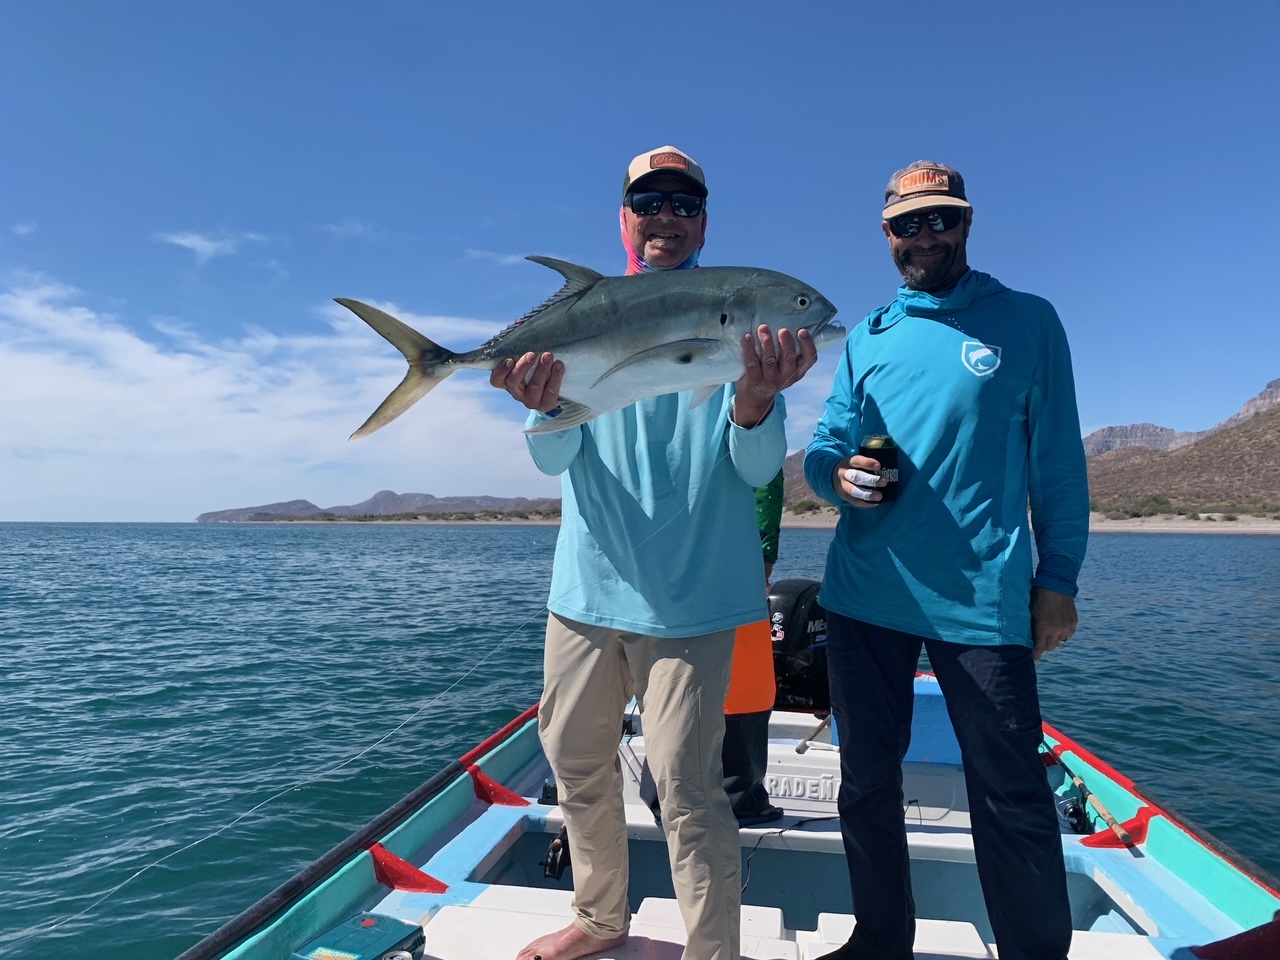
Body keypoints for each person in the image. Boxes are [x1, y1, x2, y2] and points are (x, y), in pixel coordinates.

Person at [492, 145, 819, 960]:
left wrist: (755, 400)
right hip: (588, 587)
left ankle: (714, 952)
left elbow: (751, 469)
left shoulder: (739, 316)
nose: (664, 216)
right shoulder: (589, 319)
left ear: (703, 220)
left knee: (688, 787)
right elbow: (553, 461)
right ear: (625, 218)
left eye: (682, 203)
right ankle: (600, 919)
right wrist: (542, 408)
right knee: (574, 758)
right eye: (648, 202)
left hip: (697, 596)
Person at [803, 160, 1088, 960]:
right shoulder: (868, 336)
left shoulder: (1029, 321)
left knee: (1012, 794)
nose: (925, 236)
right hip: (864, 596)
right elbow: (827, 444)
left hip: (983, 602)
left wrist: (1057, 578)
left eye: (941, 219)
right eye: (908, 224)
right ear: (886, 235)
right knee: (864, 782)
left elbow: (1058, 463)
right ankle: (880, 941)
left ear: (967, 223)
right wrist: (838, 477)